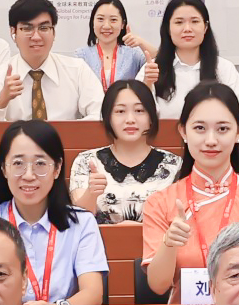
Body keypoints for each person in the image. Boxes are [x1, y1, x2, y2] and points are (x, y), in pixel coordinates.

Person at [141, 82, 239, 298]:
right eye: (200, 128)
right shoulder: (160, 202)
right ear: (183, 131)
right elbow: (158, 286)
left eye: (222, 129)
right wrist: (169, 244)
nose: (211, 140)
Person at [0, 118, 108, 305]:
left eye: (40, 164)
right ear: (4, 169)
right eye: (18, 163)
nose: (29, 175)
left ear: (57, 169)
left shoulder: (81, 223)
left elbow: (92, 293)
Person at [72, 78, 180, 224]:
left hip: (158, 238)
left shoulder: (173, 164)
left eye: (139, 111)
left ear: (151, 117)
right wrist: (91, 194)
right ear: (107, 117)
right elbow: (78, 220)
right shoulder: (86, 161)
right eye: (120, 111)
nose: (130, 119)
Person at [0, 0, 104, 122]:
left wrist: (64, 131)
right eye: (27, 28)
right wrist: (0, 103)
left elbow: (99, 116)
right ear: (13, 32)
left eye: (43, 28)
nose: (36, 37)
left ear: (54, 32)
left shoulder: (77, 70)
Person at [150, 0, 239, 118]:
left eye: (194, 21)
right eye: (179, 22)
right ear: (168, 28)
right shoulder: (151, 69)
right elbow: (141, 116)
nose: (187, 29)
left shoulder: (224, 68)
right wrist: (148, 84)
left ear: (205, 27)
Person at [78, 0, 147, 88]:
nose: (106, 26)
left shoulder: (133, 55)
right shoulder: (81, 56)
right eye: (100, 19)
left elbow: (160, 61)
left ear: (122, 24)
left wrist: (141, 42)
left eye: (113, 20)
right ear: (93, 22)